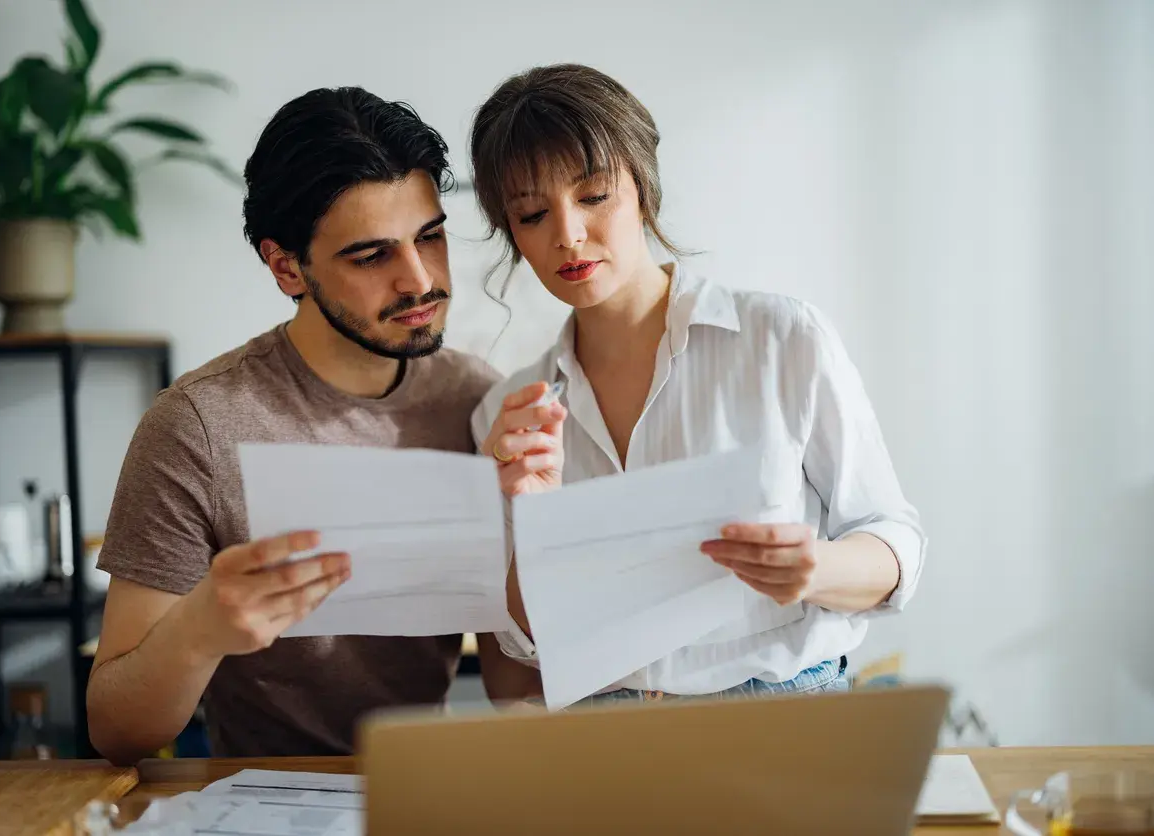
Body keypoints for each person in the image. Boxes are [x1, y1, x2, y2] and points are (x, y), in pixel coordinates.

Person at [88, 86, 537, 765]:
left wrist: (530, 537)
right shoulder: (197, 426)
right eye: (371, 257)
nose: (420, 281)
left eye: (430, 237)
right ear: (285, 267)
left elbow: (514, 693)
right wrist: (202, 629)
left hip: (422, 792)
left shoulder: (475, 399)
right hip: (257, 802)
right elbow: (117, 730)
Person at [469, 63, 925, 706]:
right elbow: (521, 647)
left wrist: (815, 570)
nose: (567, 234)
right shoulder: (510, 411)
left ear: (643, 187)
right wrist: (527, 521)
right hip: (605, 736)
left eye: (594, 196)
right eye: (532, 213)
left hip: (783, 713)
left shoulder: (780, 338)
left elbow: (893, 538)